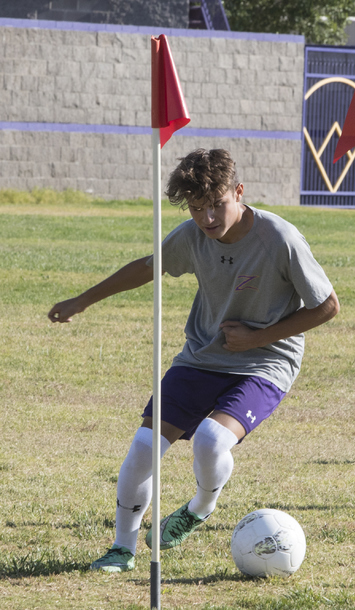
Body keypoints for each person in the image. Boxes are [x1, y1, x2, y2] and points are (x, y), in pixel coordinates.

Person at [48, 148, 339, 572]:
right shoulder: (193, 236)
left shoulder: (280, 239)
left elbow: (328, 305)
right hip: (201, 357)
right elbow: (148, 268)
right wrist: (82, 300)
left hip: (265, 363)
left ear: (238, 193)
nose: (207, 219)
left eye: (216, 205)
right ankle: (122, 549)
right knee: (143, 449)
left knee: (210, 440)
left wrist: (258, 337)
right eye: (197, 209)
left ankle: (200, 506)